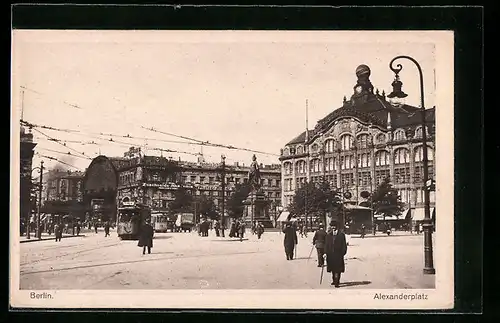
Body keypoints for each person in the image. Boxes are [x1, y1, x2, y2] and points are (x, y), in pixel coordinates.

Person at [324, 222, 348, 288]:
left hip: (338, 254)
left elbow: (344, 244)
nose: (333, 228)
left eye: (334, 226)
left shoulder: (341, 235)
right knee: (333, 269)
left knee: (338, 269)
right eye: (332, 226)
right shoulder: (328, 235)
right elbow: (326, 244)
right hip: (331, 255)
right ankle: (334, 280)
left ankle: (337, 281)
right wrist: (325, 253)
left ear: (337, 226)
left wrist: (343, 252)